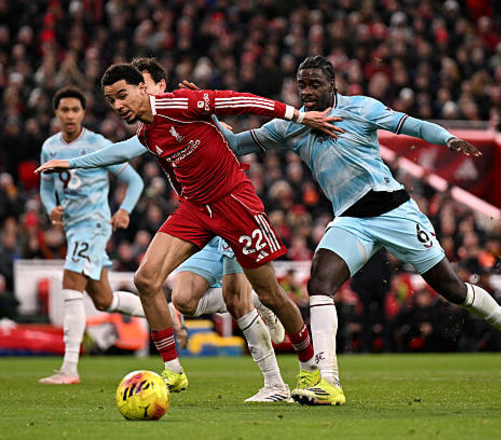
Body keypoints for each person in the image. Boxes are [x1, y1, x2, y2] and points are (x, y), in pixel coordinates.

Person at [220, 55, 501, 405]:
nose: (307, 92)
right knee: (319, 283)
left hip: (393, 211)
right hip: (352, 221)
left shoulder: (360, 108)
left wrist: (448, 139)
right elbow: (237, 144)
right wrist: (205, 115)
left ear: (332, 85)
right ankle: (329, 383)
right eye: (302, 85)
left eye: (315, 84)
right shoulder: (291, 125)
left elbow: (410, 125)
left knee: (453, 290)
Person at [35, 63, 342, 396]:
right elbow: (118, 151)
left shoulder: (181, 103)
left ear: (143, 88)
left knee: (269, 294)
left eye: (123, 95)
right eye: (111, 101)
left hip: (234, 203)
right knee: (146, 280)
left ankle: (309, 369)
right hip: (195, 209)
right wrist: (71, 163)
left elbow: (243, 101)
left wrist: (300, 116)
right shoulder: (146, 133)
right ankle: (173, 371)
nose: (118, 105)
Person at [131, 57, 289, 402]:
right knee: (183, 301)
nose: (138, 94)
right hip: (198, 217)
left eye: (144, 86)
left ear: (160, 85)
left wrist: (213, 118)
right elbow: (132, 155)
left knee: (237, 301)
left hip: (230, 210)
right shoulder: (147, 130)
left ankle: (275, 384)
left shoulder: (188, 107)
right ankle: (259, 299)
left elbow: (232, 139)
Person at [38, 85, 145, 384]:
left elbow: (135, 181)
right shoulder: (49, 147)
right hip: (73, 228)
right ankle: (165, 312)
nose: (70, 115)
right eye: (65, 110)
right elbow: (46, 187)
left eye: (75, 110)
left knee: (71, 282)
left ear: (83, 113)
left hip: (95, 225)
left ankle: (69, 369)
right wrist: (50, 208)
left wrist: (124, 210)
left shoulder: (98, 144)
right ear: (56, 113)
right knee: (104, 300)